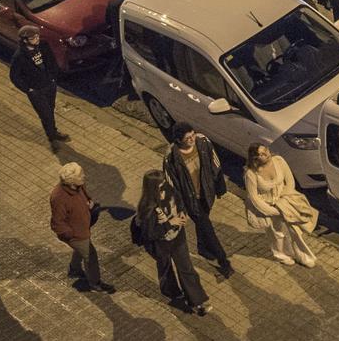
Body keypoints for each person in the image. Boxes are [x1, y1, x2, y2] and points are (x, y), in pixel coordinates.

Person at [133, 168, 208, 314]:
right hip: (161, 244)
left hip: (178, 238)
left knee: (186, 268)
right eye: (160, 186)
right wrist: (170, 223)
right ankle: (172, 292)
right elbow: (150, 234)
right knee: (165, 268)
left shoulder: (169, 190)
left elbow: (180, 202)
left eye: (164, 183)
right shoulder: (147, 208)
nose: (164, 187)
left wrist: (182, 213)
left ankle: (197, 301)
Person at [164, 123, 234, 278]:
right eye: (187, 138)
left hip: (206, 193)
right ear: (178, 140)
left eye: (192, 135)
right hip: (190, 199)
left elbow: (215, 164)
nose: (192, 139)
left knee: (203, 223)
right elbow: (172, 184)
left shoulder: (203, 141)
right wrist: (180, 207)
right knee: (208, 229)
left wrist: (220, 187)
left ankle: (202, 248)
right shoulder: (171, 156)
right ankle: (223, 262)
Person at [242, 142, 318, 267]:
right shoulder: (251, 174)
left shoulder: (279, 161)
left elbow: (290, 182)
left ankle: (304, 256)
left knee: (295, 230)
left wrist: (283, 201)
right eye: (260, 154)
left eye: (265, 150)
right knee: (276, 233)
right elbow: (254, 198)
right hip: (268, 207)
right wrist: (273, 210)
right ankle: (281, 255)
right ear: (255, 158)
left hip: (284, 202)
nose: (265, 154)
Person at [48, 161, 113, 293]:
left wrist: (89, 202)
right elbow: (57, 223)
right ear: (72, 181)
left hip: (83, 227)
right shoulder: (58, 197)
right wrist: (72, 235)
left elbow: (84, 195)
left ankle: (74, 270)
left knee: (82, 250)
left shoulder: (78, 186)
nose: (84, 176)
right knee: (90, 255)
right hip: (76, 233)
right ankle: (95, 284)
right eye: (81, 175)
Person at [9, 29, 67, 148]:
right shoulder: (19, 56)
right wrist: (28, 89)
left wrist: (53, 78)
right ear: (25, 41)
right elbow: (14, 76)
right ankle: (52, 136)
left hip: (49, 85)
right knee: (45, 114)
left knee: (50, 110)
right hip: (36, 91)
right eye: (33, 38)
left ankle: (53, 131)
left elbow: (51, 61)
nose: (37, 39)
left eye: (37, 36)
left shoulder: (43, 46)